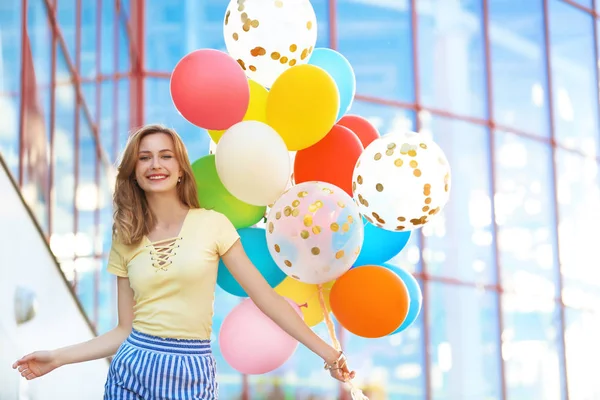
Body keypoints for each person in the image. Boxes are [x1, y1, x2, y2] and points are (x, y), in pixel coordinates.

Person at [12, 124, 355, 399]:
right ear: (134, 172)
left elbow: (266, 298)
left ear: (180, 171)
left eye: (165, 156)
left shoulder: (212, 224)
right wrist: (56, 358)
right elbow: (123, 330)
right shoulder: (125, 235)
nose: (155, 164)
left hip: (190, 373)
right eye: (145, 158)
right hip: (131, 370)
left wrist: (328, 353)